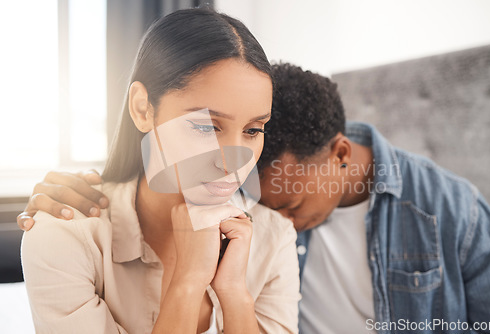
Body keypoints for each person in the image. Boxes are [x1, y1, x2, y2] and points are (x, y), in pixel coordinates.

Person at [20, 63, 490, 333]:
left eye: (286, 204)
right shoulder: (249, 194)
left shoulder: (450, 210)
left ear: (340, 154)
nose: (266, 213)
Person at [20, 9, 300, 334]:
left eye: (253, 130)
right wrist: (187, 281)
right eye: (207, 126)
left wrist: (236, 295)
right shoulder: (63, 236)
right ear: (143, 109)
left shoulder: (274, 237)